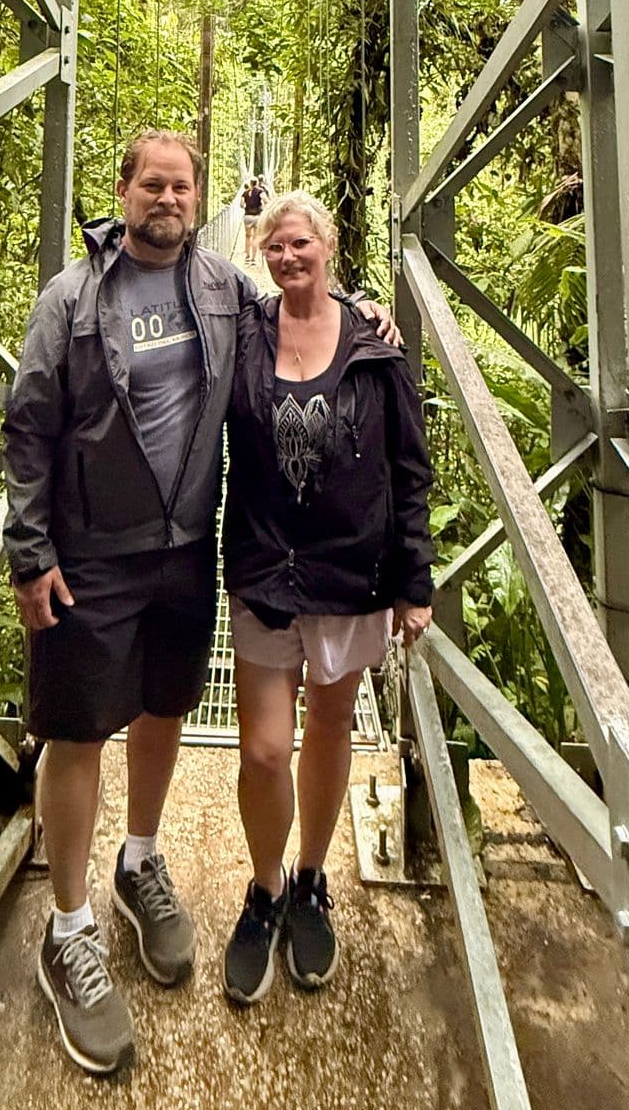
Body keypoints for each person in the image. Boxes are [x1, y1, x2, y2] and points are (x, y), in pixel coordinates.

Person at [2, 132, 396, 1075]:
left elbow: (299, 316)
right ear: (123, 190)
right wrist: (30, 552)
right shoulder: (73, 298)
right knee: (76, 729)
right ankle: (70, 927)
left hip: (184, 549)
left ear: (201, 199)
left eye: (183, 186)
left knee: (167, 708)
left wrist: (357, 310)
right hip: (89, 554)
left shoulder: (224, 287)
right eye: (153, 184)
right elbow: (28, 423)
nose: (169, 199)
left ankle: (140, 861)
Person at [220, 189, 434, 1005]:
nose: (287, 257)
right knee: (266, 750)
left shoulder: (375, 345)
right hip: (265, 570)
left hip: (352, 572)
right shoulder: (245, 330)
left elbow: (409, 470)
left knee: (331, 726)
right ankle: (265, 886)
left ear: (330, 245)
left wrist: (414, 581)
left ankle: (310, 879)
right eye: (275, 247)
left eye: (300, 244)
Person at [241, 175, 265, 261]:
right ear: (257, 183)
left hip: (247, 217)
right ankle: (253, 258)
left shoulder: (245, 192)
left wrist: (247, 206)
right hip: (257, 217)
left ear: (250, 184)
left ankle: (247, 256)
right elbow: (265, 200)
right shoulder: (260, 191)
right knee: (255, 237)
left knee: (247, 237)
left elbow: (241, 204)